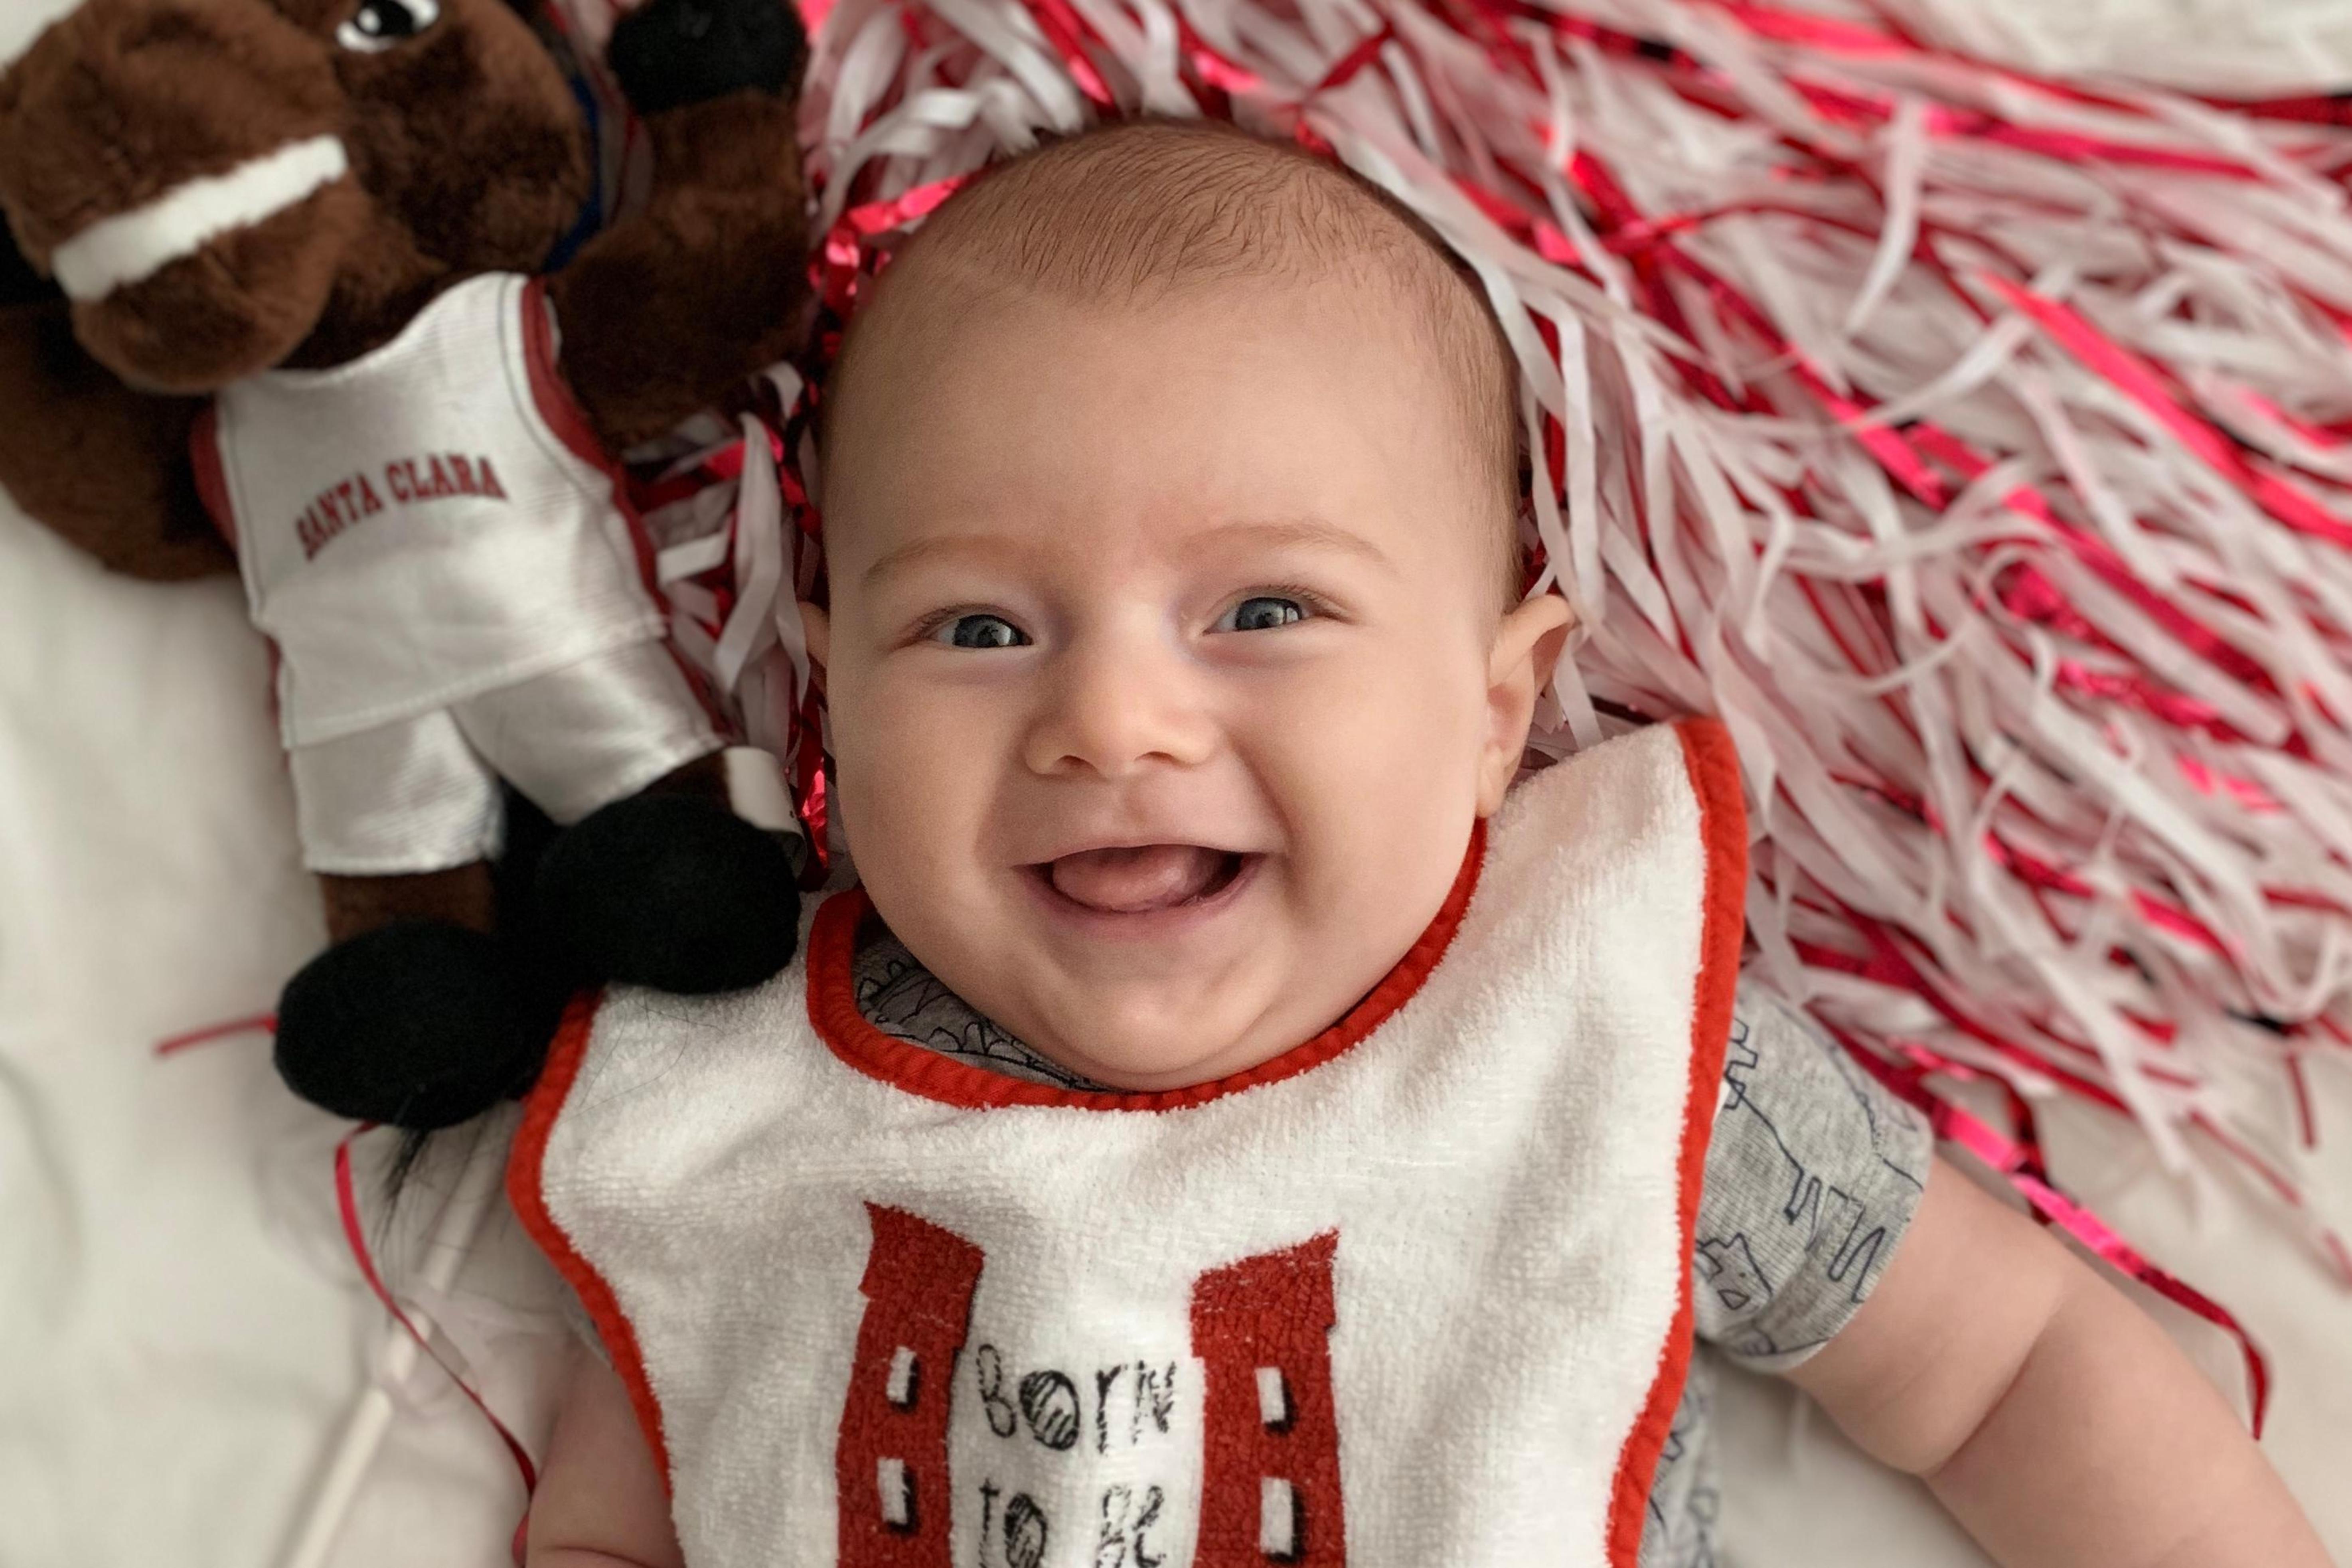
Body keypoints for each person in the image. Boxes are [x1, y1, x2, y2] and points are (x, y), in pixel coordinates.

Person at [510, 120, 2331, 1568]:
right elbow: (618, 1513)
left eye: (1266, 610)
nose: (1114, 722)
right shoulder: (742, 1104)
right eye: (979, 629)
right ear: (832, 694)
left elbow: (2007, 1368)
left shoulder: (1606, 1038)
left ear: (1494, 707)